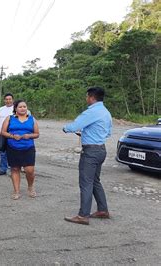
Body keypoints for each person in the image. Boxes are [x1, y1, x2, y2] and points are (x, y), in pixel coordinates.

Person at [63, 87, 112, 225]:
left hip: (90, 152)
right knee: (95, 181)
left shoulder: (91, 112)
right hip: (101, 150)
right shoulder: (106, 112)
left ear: (91, 97)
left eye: (87, 97)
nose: (86, 99)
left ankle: (83, 215)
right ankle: (103, 210)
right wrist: (87, 133)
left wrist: (65, 128)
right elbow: (107, 133)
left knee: (86, 182)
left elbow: (74, 126)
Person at [1, 100, 39, 200]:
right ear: (16, 109)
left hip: (28, 147)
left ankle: (30, 187)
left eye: (24, 107)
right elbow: (3, 132)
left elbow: (37, 134)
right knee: (15, 169)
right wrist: (12, 136)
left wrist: (29, 135)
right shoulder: (10, 118)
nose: (23, 108)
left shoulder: (32, 119)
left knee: (29, 170)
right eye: (20, 107)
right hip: (13, 147)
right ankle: (16, 191)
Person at [0, 93, 14, 176]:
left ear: (13, 100)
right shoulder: (1, 109)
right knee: (2, 151)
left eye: (10, 99)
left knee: (12, 151)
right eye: (6, 99)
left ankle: (12, 169)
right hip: (2, 133)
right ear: (4, 100)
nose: (8, 101)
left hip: (13, 133)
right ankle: (2, 169)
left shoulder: (16, 109)